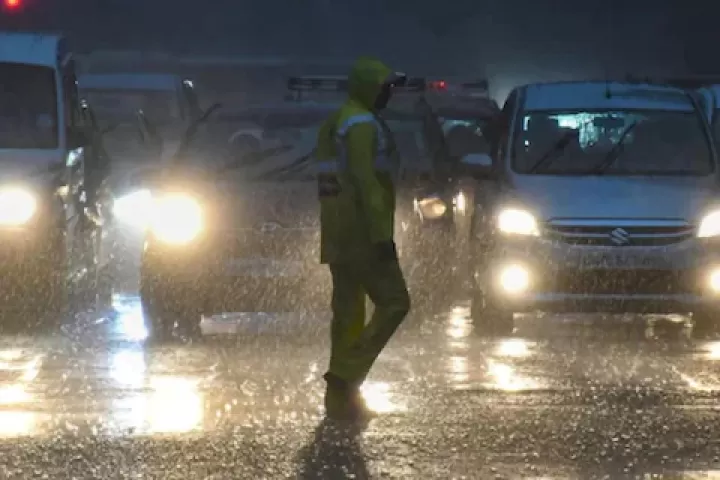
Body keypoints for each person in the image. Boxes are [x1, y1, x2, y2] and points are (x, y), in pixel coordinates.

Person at [314, 56, 411, 421]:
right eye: (386, 88)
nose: (389, 94)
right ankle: (345, 376)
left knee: (348, 314)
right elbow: (367, 183)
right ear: (372, 88)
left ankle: (341, 402)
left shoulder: (337, 121)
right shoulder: (362, 125)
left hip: (337, 231)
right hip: (362, 233)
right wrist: (381, 235)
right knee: (396, 303)